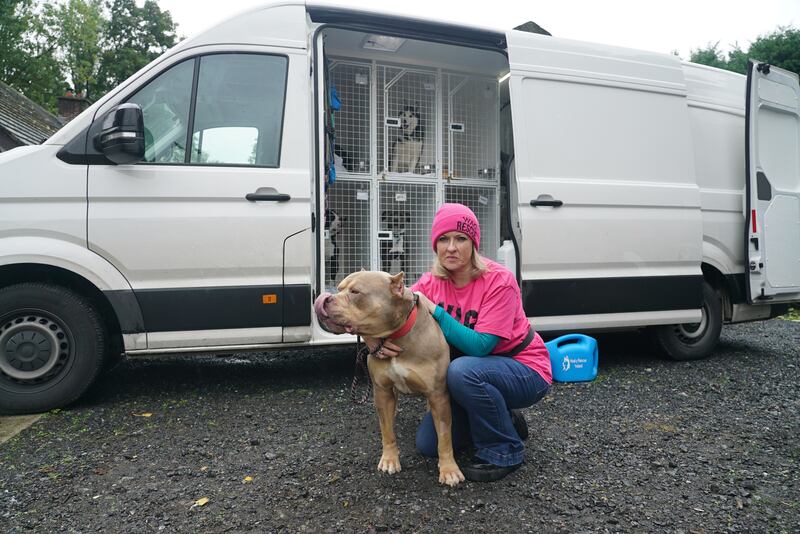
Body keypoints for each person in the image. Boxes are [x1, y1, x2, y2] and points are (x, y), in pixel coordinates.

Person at [370, 203, 552, 482]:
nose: (451, 248)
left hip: (524, 369)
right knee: (428, 445)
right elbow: (391, 309)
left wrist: (436, 310)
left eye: (461, 239)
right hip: (476, 372)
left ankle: (504, 449)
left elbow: (481, 347)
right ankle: (504, 417)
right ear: (435, 245)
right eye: (444, 239)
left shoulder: (499, 281)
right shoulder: (431, 282)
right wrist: (373, 341)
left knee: (462, 371)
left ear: (474, 243)